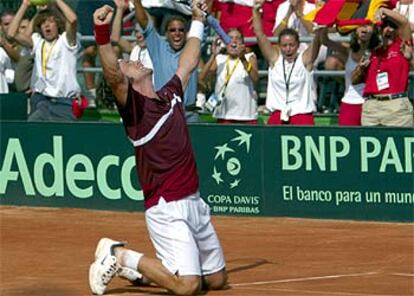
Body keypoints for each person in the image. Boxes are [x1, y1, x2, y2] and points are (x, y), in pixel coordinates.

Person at [88, 1, 227, 295]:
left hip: (195, 202)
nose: (132, 60)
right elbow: (113, 74)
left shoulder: (169, 94)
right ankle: (120, 255)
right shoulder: (135, 112)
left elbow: (188, 62)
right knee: (188, 288)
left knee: (216, 281)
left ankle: (140, 272)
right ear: (125, 80)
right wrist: (101, 31)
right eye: (126, 63)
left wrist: (198, 21)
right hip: (167, 209)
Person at [8, 0, 82, 121]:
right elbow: (11, 34)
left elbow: (73, 20)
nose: (47, 25)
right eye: (43, 23)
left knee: (67, 137)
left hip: (64, 102)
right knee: (32, 134)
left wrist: (57, 1)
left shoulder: (66, 41)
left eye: (51, 22)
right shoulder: (38, 41)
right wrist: (25, 4)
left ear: (58, 24)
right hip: (41, 101)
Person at [252, 0, 323, 125]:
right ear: (279, 46)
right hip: (278, 115)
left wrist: (321, 16)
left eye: (291, 45)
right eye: (284, 45)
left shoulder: (304, 60)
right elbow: (260, 35)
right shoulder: (275, 59)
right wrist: (255, 12)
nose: (288, 49)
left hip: (301, 115)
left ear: (298, 45)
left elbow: (317, 38)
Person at [133, 0, 201, 123]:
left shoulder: (193, 47)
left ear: (186, 33)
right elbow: (144, 21)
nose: (177, 33)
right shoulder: (158, 47)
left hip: (189, 115)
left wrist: (198, 11)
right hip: (165, 112)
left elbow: (199, 24)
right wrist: (136, 2)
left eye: (181, 30)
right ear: (166, 33)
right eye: (173, 30)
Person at [352, 8, 413, 127]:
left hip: (396, 106)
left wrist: (383, 10)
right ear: (379, 29)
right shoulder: (372, 50)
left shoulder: (402, 45)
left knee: (399, 144)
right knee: (369, 144)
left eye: (393, 27)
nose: (389, 30)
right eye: (385, 26)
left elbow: (404, 22)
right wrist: (361, 69)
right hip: (371, 107)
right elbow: (354, 81)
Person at [321, 24, 379, 125]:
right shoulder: (348, 50)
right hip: (350, 103)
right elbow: (325, 40)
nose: (364, 28)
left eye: (369, 25)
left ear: (374, 30)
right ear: (355, 29)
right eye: (361, 25)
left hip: (373, 103)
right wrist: (329, 24)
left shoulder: (380, 51)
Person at [199, 28, 259, 123]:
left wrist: (242, 58)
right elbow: (202, 78)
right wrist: (213, 55)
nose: (234, 41)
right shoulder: (220, 59)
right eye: (230, 38)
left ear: (242, 44)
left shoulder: (249, 57)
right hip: (224, 114)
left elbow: (255, 78)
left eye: (238, 38)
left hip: (246, 115)